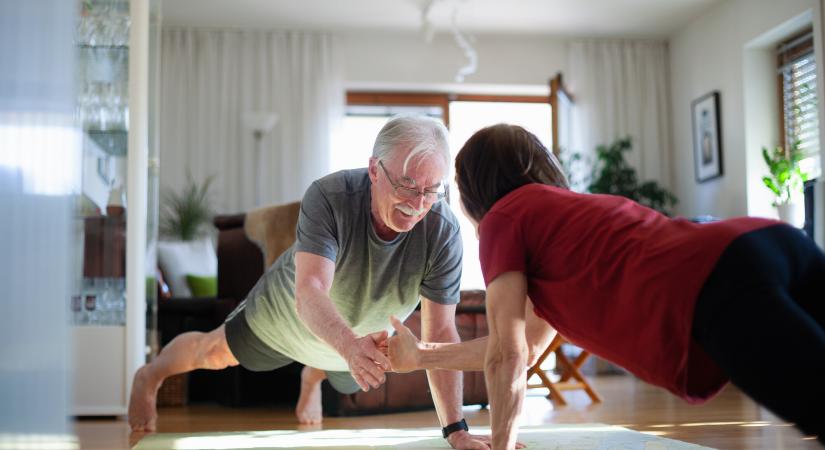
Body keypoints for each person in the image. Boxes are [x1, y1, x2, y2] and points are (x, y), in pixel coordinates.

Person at [388, 123, 825, 449]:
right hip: (767, 243)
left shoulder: (505, 217)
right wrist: (420, 356)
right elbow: (522, 346)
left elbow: (509, 354)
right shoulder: (559, 220)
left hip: (719, 283)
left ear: (472, 190)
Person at [129, 115, 494, 449]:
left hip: (357, 335)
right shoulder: (330, 196)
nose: (418, 204)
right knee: (211, 352)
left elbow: (441, 332)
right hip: (286, 314)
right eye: (407, 185)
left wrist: (456, 431)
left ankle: (312, 376)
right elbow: (309, 291)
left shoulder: (443, 231)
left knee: (345, 376)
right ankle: (151, 375)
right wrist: (349, 347)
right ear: (374, 170)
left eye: (432, 191)